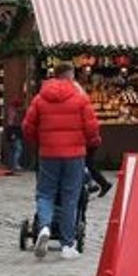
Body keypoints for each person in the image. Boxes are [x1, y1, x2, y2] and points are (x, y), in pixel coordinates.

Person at [22, 63, 101, 260]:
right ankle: (67, 245)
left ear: (53, 76)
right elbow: (91, 128)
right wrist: (92, 143)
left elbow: (28, 127)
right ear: (71, 77)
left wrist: (40, 141)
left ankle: (45, 227)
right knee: (70, 198)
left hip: (48, 154)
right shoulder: (80, 99)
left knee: (45, 193)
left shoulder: (40, 99)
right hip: (74, 154)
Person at [3, 94, 25, 174]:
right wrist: (13, 133)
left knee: (12, 149)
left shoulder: (11, 110)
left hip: (11, 131)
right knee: (18, 148)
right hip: (14, 131)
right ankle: (15, 165)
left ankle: (11, 166)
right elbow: (11, 123)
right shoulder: (13, 111)